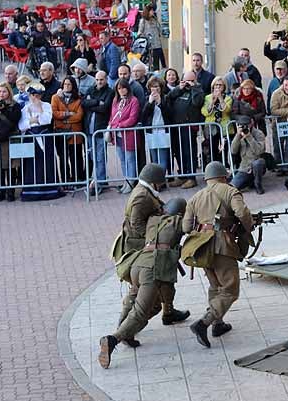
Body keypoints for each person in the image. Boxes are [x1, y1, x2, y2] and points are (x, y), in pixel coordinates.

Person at [99, 196, 191, 368]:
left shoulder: (152, 220)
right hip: (153, 270)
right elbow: (192, 227)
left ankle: (126, 331)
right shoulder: (178, 221)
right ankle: (114, 339)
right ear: (180, 212)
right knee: (142, 311)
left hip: (138, 265)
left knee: (138, 300)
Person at [183, 161, 254, 347]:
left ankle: (218, 323)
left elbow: (185, 226)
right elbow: (241, 212)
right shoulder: (230, 191)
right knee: (230, 289)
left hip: (202, 246)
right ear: (224, 176)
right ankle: (203, 323)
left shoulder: (195, 197)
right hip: (223, 244)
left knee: (215, 286)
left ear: (207, 179)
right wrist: (249, 227)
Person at [17, 84, 63, 201]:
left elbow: (47, 119)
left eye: (37, 95)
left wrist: (39, 110)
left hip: (44, 137)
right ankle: (31, 190)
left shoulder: (46, 106)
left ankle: (49, 189)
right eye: (33, 95)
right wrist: (31, 122)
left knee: (46, 162)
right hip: (30, 138)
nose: (35, 98)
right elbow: (21, 125)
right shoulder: (24, 108)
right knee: (31, 164)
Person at [165, 70, 204, 189]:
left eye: (191, 81)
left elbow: (197, 102)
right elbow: (168, 98)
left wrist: (194, 88)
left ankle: (191, 177)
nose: (188, 83)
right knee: (178, 151)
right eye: (186, 80)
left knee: (188, 152)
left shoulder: (198, 90)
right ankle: (183, 175)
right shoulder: (179, 90)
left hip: (189, 126)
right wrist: (179, 88)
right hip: (177, 126)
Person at [51, 76, 86, 184]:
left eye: (69, 84)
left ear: (73, 86)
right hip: (60, 132)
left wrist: (65, 120)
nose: (67, 86)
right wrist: (68, 114)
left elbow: (79, 116)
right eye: (65, 84)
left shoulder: (79, 99)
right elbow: (54, 113)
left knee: (76, 157)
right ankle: (66, 180)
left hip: (75, 133)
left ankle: (77, 178)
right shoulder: (55, 98)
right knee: (63, 157)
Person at [83, 71, 114, 192]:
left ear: (106, 79)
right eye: (97, 80)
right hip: (89, 129)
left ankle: (100, 182)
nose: (99, 82)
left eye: (101, 80)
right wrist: (96, 102)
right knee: (92, 156)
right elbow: (84, 103)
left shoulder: (110, 92)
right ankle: (95, 180)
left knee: (100, 157)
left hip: (100, 129)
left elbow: (105, 107)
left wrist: (92, 104)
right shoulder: (91, 89)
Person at [109, 78, 141, 193]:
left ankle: (131, 182)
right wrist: (112, 126)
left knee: (130, 159)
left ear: (127, 88)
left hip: (128, 134)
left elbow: (132, 118)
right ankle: (126, 180)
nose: (121, 90)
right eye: (119, 88)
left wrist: (120, 125)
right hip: (117, 134)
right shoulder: (115, 101)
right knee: (122, 159)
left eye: (123, 87)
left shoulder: (134, 101)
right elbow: (112, 116)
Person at [141, 76, 172, 173]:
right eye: (153, 87)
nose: (155, 89)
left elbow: (169, 113)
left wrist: (160, 102)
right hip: (152, 131)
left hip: (163, 131)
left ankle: (161, 178)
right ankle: (156, 179)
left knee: (163, 157)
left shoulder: (166, 98)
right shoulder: (147, 98)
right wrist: (150, 103)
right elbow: (144, 116)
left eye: (157, 86)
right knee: (154, 158)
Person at [229, 115, 267, 194]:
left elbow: (259, 151)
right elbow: (233, 151)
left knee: (258, 163)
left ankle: (258, 184)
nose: (244, 127)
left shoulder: (258, 134)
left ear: (251, 124)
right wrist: (238, 136)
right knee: (232, 187)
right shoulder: (239, 135)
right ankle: (249, 182)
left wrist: (249, 137)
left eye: (246, 125)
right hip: (244, 167)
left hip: (256, 164)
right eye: (241, 125)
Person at [201, 76, 231, 164]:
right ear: (213, 86)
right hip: (211, 128)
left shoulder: (228, 98)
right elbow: (204, 112)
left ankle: (224, 169)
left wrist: (221, 99)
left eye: (220, 85)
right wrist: (212, 102)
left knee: (224, 150)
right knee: (212, 150)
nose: (218, 87)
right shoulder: (207, 98)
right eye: (216, 85)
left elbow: (227, 110)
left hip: (224, 127)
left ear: (224, 87)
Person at [138, 5, 165, 70]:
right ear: (148, 11)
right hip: (150, 46)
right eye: (151, 10)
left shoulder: (154, 19)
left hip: (158, 44)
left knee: (162, 62)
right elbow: (140, 33)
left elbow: (159, 30)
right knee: (154, 64)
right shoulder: (143, 21)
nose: (153, 12)